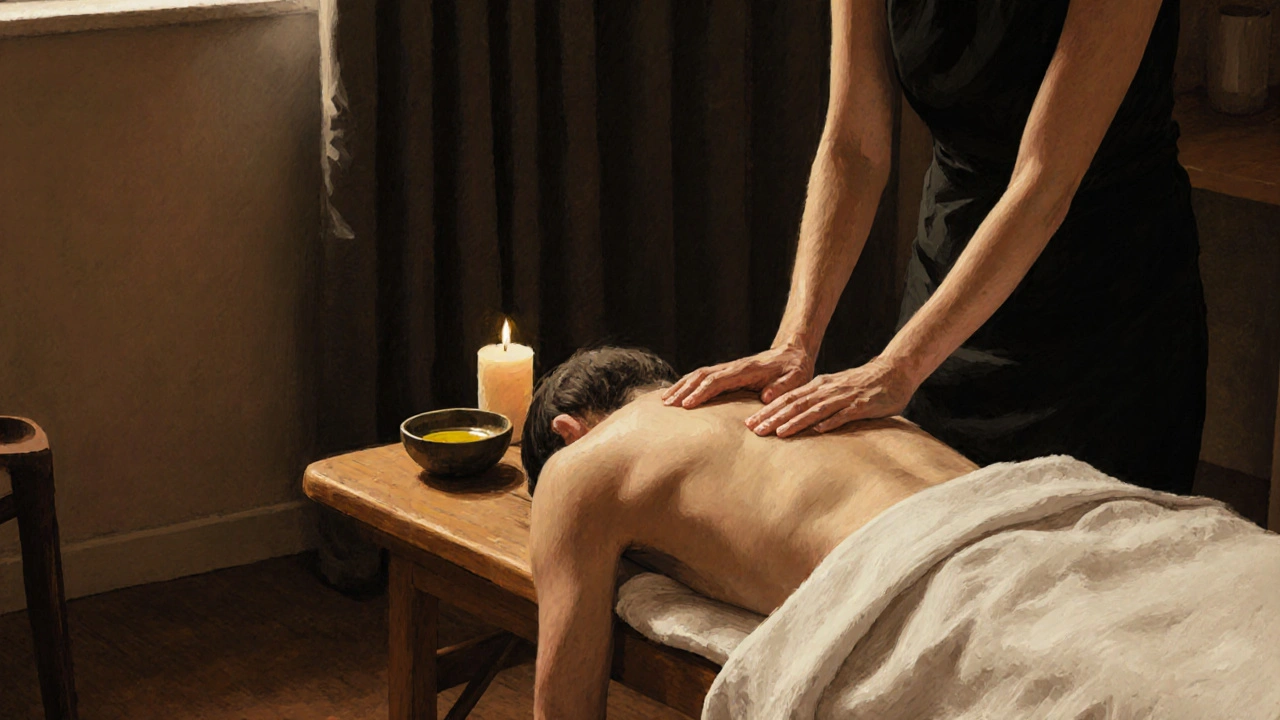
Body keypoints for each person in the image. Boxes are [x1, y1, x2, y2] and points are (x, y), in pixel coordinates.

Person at [662, 0, 1207, 495]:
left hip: (1108, 309)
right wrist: (796, 342)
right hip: (950, 281)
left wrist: (898, 366)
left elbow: (1043, 183)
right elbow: (854, 147)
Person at [521, 346, 977, 718]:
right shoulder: (791, 392)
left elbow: (565, 713)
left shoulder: (580, 463)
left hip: (937, 581)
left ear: (569, 433)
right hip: (1021, 505)